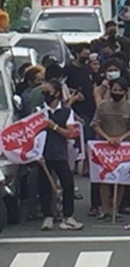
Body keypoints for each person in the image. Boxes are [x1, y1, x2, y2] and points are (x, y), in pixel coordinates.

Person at [90, 77, 130, 220]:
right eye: (114, 90)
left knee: (121, 179)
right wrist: (107, 138)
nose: (117, 92)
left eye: (120, 90)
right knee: (104, 178)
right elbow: (95, 124)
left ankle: (116, 209)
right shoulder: (102, 106)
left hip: (123, 146)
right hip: (104, 147)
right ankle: (105, 210)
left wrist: (123, 137)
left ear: (125, 92)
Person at [38, 79, 84, 231]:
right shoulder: (38, 111)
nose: (45, 95)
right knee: (44, 186)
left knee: (68, 184)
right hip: (43, 154)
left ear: (57, 93)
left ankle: (68, 216)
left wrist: (55, 126)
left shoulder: (66, 112)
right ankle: (48, 216)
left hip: (59, 153)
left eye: (48, 92)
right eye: (43, 92)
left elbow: (70, 133)